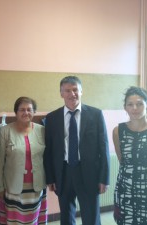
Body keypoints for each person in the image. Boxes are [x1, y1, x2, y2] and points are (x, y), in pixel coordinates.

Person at [43, 76, 110, 225]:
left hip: (89, 173)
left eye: (75, 90)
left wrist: (104, 178)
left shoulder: (95, 114)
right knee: (66, 217)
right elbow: (49, 150)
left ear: (81, 91)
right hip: (63, 173)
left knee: (91, 217)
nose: (71, 94)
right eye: (67, 90)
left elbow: (103, 147)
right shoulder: (52, 118)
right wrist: (50, 178)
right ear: (61, 93)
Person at [113, 86, 147, 224]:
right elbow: (122, 160)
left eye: (140, 103)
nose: (135, 108)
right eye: (130, 104)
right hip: (125, 190)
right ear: (125, 108)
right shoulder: (118, 131)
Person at [0, 96, 47, 225]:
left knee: (34, 221)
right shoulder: (4, 131)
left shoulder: (42, 130)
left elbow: (47, 158)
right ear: (16, 112)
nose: (26, 113)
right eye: (22, 109)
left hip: (36, 187)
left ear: (34, 112)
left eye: (29, 109)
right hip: (13, 188)